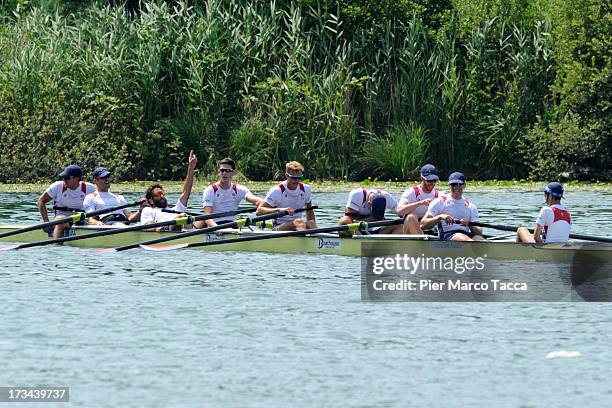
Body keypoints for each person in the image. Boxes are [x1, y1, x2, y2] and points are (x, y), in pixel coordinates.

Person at [195, 158, 263, 228]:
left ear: (233, 172)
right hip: (215, 225)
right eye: (222, 170)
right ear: (218, 172)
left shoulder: (239, 189)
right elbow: (207, 216)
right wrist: (217, 229)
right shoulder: (210, 190)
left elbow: (256, 200)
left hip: (232, 225)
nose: (224, 173)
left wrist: (266, 205)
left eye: (227, 171)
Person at [140, 151, 197, 232]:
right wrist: (156, 228)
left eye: (163, 193)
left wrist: (191, 168)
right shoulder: (148, 210)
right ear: (151, 201)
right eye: (159, 194)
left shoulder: (176, 209)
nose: (162, 196)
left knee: (186, 218)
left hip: (181, 224)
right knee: (183, 217)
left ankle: (182, 227)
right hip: (163, 229)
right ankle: (176, 225)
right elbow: (147, 224)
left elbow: (186, 192)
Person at [37, 164, 96, 239]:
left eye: (67, 178)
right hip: (60, 221)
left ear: (76, 178)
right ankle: (57, 246)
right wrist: (46, 222)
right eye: (63, 178)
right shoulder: (57, 187)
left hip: (82, 221)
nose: (63, 180)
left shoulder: (89, 188)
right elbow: (41, 201)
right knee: (61, 219)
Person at [421, 172, 484, 241]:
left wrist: (469, 224)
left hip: (466, 235)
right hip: (447, 236)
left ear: (464, 185)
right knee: (464, 238)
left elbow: (479, 232)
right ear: (449, 185)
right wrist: (439, 217)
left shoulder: (471, 207)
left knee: (480, 239)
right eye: (453, 184)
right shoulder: (439, 202)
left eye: (459, 184)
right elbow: (423, 225)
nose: (455, 187)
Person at [256, 161, 316, 231]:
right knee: (299, 222)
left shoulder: (306, 189)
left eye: (299, 178)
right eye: (293, 178)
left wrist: (312, 225)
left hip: (299, 225)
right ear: (287, 176)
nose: (297, 181)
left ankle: (315, 240)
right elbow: (259, 211)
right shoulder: (277, 191)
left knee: (311, 223)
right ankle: (303, 240)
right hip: (279, 226)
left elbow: (309, 210)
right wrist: (280, 209)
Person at [397, 164, 443, 234]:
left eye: (434, 180)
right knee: (411, 217)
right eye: (429, 181)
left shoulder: (439, 195)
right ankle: (421, 241)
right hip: (410, 230)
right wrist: (420, 203)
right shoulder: (412, 192)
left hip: (430, 230)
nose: (432, 183)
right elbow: (399, 211)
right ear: (422, 179)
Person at [337, 188, 401, 236]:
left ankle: (387, 244)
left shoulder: (388, 197)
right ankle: (360, 239)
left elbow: (403, 214)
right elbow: (350, 220)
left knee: (401, 224)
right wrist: (373, 219)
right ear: (369, 204)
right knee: (343, 221)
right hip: (356, 231)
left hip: (376, 232)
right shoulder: (357, 195)